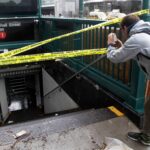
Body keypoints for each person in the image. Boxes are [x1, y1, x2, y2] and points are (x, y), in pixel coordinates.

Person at [107, 15, 150, 146]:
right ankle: (146, 135)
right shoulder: (145, 32)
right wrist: (123, 46)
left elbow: (114, 58)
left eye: (122, 30)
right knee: (148, 107)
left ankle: (147, 137)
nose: (123, 33)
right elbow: (138, 51)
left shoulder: (137, 39)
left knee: (149, 107)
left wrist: (110, 44)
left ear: (125, 28)